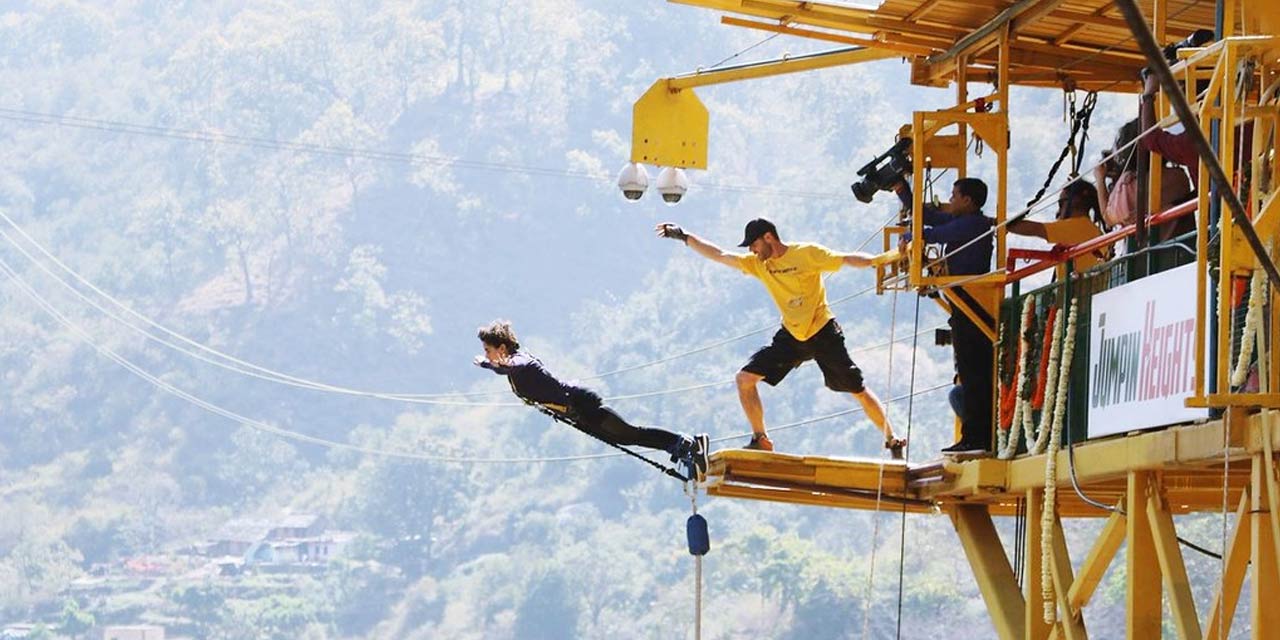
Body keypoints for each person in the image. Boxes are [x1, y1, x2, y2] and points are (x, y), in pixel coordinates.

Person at [654, 218, 906, 459]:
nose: (752, 251)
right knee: (744, 380)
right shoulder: (759, 265)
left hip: (823, 332)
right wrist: (684, 236)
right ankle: (760, 439)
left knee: (857, 389)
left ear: (768, 237)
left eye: (753, 244)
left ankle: (891, 438)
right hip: (792, 336)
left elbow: (848, 259)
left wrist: (883, 259)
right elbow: (719, 254)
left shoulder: (806, 253)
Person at [474, 320, 708, 480]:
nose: (487, 354)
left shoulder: (519, 361)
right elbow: (504, 369)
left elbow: (513, 366)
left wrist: (494, 365)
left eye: (488, 350)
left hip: (581, 403)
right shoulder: (510, 368)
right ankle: (682, 448)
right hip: (576, 413)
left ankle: (687, 443)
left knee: (629, 433)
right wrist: (488, 364)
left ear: (502, 348)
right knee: (626, 439)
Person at [894, 177, 995, 454]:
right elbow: (933, 220)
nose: (950, 201)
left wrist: (912, 235)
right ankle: (973, 436)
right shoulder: (967, 223)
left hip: (973, 303)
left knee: (974, 375)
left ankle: (977, 437)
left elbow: (934, 231)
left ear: (968, 201)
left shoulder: (975, 224)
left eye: (954, 196)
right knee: (969, 373)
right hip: (964, 303)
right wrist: (903, 191)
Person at [1008, 180, 1111, 276]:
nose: (1058, 211)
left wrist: (997, 223)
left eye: (1061, 203)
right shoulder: (1098, 232)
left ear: (1075, 201)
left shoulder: (1070, 227)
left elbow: (1033, 228)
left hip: (1073, 291)